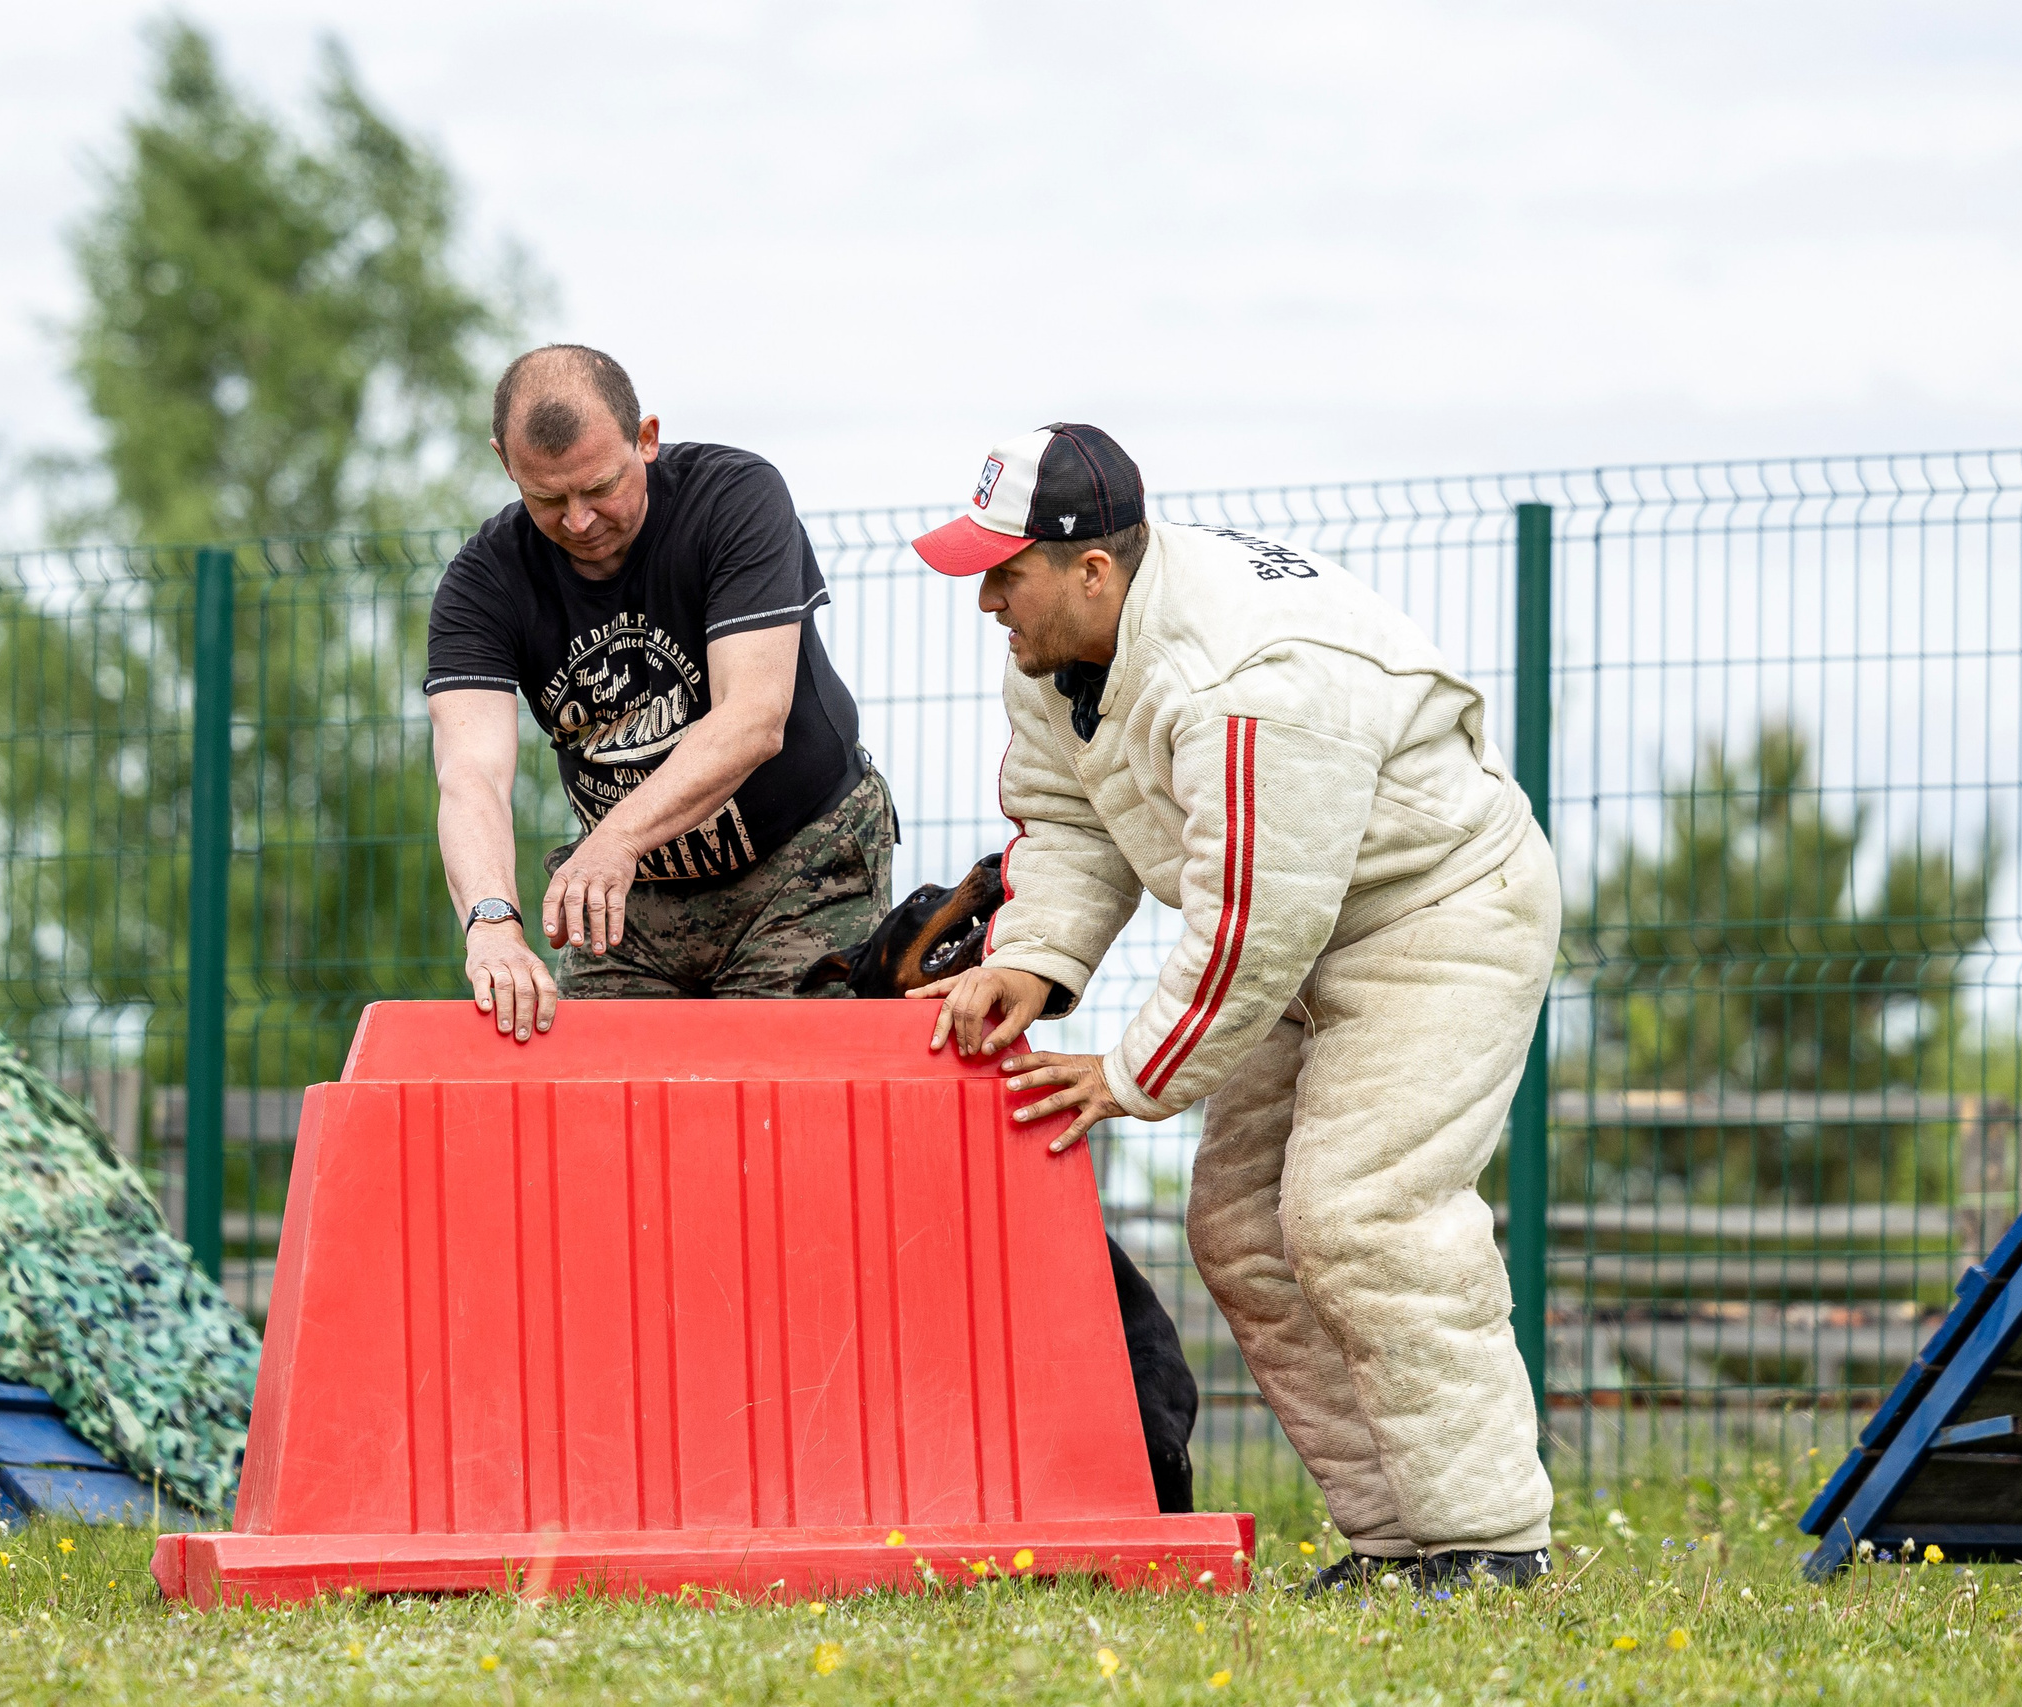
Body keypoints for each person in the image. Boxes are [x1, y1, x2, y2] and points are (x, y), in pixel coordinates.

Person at [910, 423, 1561, 1590]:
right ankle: (1395, 1540)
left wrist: (1129, 1074)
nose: (986, 603)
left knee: (1363, 1213)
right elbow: (1068, 823)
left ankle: (1488, 1541)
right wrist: (1038, 958)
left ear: (1090, 570)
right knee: (1244, 1233)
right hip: (1304, 933)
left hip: (1438, 916)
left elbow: (1254, 923)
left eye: (1004, 575)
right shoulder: (1059, 659)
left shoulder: (1246, 682)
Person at [424, 345, 892, 1036]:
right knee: (598, 1114)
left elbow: (755, 717)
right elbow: (471, 774)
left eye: (602, 486)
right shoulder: (482, 583)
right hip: (629, 904)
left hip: (799, 870)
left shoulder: (734, 499)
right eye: (548, 498)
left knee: (783, 1099)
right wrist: (491, 922)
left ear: (645, 438)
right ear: (505, 463)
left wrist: (616, 839)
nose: (579, 521)